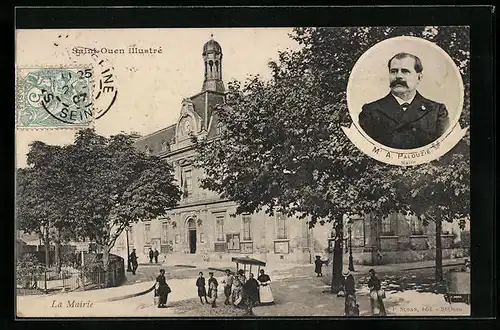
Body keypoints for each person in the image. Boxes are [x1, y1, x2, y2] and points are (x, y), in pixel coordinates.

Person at [358, 52, 450, 150]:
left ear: (419, 77)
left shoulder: (436, 111)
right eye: (393, 71)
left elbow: (442, 148)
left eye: (405, 71)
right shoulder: (371, 111)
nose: (398, 76)